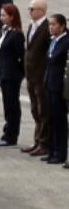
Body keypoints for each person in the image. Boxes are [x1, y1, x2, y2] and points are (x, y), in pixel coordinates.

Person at [0, 3, 24, 147]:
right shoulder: (4, 31)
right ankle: (7, 132)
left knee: (12, 106)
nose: (1, 18)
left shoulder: (17, 34)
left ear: (12, 17)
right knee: (7, 105)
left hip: (12, 75)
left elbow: (20, 56)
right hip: (4, 74)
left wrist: (18, 73)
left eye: (4, 15)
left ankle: (11, 136)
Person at [24, 0, 51, 156]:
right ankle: (37, 140)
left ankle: (44, 142)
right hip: (31, 76)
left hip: (40, 77)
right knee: (35, 109)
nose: (30, 11)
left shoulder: (47, 28)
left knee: (43, 110)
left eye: (32, 9)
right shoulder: (32, 26)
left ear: (41, 11)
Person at [44, 13, 69, 165]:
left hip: (59, 86)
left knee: (60, 120)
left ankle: (60, 153)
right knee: (51, 119)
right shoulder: (53, 40)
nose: (51, 27)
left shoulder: (66, 42)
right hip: (49, 83)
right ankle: (52, 149)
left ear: (62, 26)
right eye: (50, 24)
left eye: (54, 24)